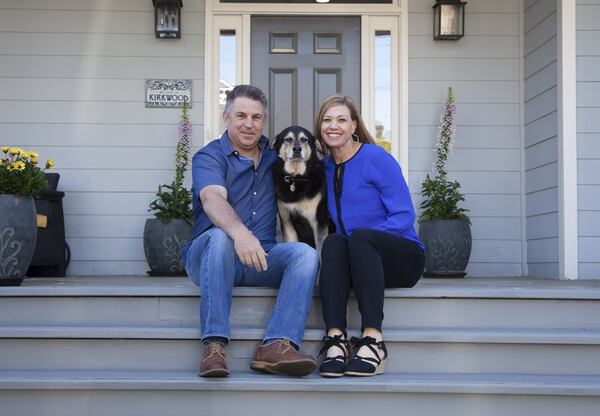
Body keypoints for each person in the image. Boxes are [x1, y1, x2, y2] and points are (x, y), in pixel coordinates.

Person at [181, 84, 319, 378]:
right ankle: (214, 345)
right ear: (226, 117)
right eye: (241, 115)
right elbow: (212, 198)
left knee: (305, 255)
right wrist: (241, 235)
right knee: (220, 237)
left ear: (264, 122)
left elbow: (313, 168)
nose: (248, 124)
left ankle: (276, 344)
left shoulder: (275, 158)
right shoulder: (210, 157)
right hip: (210, 256)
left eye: (256, 117)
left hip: (260, 256)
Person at [314, 94, 425, 377]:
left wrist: (360, 242)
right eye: (327, 120)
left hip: (401, 257)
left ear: (354, 125)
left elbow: (404, 216)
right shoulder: (324, 167)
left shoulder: (375, 158)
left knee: (358, 238)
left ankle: (374, 339)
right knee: (335, 240)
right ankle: (336, 339)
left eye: (341, 119)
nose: (333, 126)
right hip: (358, 259)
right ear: (319, 127)